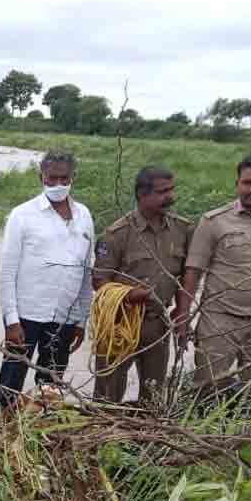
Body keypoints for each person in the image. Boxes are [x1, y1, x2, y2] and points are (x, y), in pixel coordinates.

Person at [177, 153, 251, 390]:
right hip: (219, 323)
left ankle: (246, 428)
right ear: (237, 184)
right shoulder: (213, 221)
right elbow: (193, 271)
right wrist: (183, 316)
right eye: (246, 182)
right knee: (208, 391)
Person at [0, 152, 95, 410]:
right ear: (41, 178)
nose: (58, 184)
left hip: (64, 317)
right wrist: (11, 320)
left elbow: (85, 272)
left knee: (50, 387)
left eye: (64, 178)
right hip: (26, 315)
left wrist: (81, 319)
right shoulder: (22, 215)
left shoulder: (83, 215)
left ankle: (39, 434)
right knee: (10, 383)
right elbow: (7, 273)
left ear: (74, 177)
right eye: (52, 178)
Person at [91, 166, 192, 402]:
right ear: (141, 194)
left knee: (154, 396)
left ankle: (148, 437)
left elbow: (187, 275)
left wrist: (182, 310)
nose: (170, 196)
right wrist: (129, 295)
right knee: (108, 394)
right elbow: (99, 281)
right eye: (161, 192)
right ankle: (105, 435)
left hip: (158, 325)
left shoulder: (182, 230)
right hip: (119, 324)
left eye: (171, 190)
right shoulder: (117, 234)